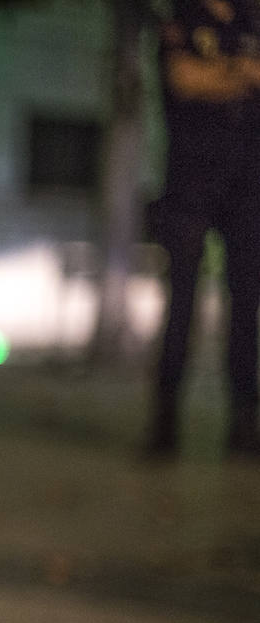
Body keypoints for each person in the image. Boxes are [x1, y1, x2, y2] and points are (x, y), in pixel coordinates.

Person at [148, 0, 260, 457]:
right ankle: (164, 424)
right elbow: (184, 80)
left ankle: (243, 425)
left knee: (246, 308)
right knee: (181, 306)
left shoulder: (252, 19)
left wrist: (216, 74)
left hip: (248, 189)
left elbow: (205, 78)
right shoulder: (182, 19)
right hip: (190, 186)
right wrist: (241, 74)